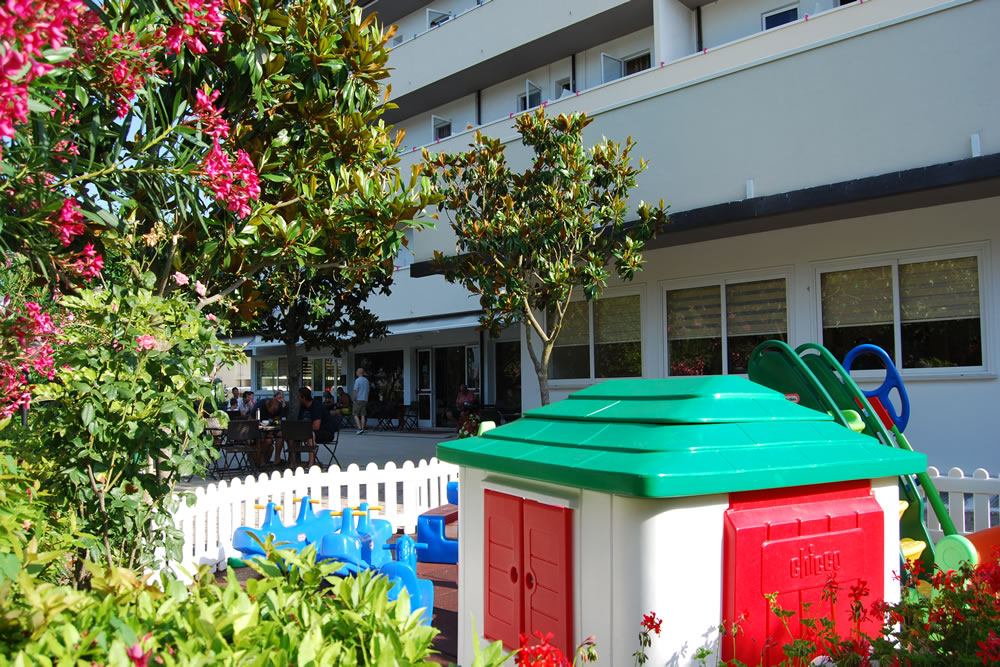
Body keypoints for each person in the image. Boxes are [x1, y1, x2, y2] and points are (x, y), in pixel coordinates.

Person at [297, 387, 338, 467]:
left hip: (325, 432)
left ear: (303, 397)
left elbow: (316, 426)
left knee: (310, 435)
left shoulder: (316, 406)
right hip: (307, 431)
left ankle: (311, 464)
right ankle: (293, 462)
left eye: (298, 397)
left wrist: (303, 430)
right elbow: (299, 422)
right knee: (292, 435)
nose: (297, 399)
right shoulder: (302, 407)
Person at [353, 367, 370, 435]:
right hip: (365, 399)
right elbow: (368, 391)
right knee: (363, 415)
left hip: (359, 399)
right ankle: (362, 428)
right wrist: (366, 398)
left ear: (359, 372)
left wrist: (354, 398)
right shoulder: (366, 380)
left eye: (357, 371)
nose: (356, 372)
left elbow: (355, 390)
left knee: (355, 414)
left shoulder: (357, 380)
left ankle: (359, 428)